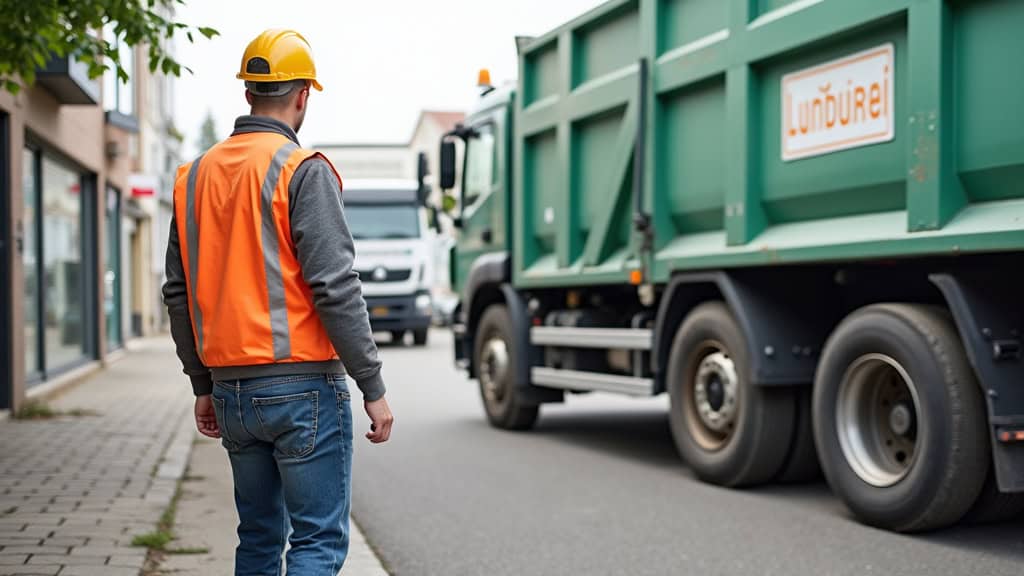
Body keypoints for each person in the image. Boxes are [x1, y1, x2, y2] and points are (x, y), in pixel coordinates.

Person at [162, 29, 393, 575]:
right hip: (302, 389)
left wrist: (202, 384)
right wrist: (373, 387)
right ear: (303, 96)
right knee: (316, 542)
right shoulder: (302, 168)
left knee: (259, 540)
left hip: (231, 394)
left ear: (248, 94)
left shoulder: (192, 177)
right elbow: (335, 287)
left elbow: (177, 291)